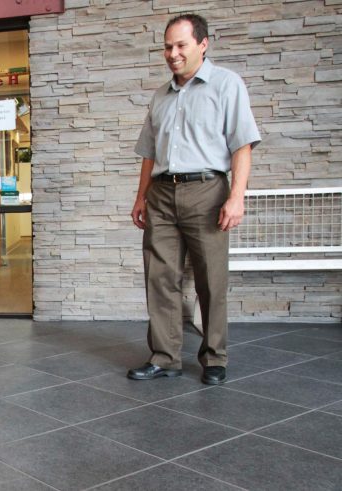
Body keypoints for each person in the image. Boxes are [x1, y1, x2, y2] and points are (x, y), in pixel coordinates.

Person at [127, 14, 261, 385]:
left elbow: (242, 146)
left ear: (203, 44)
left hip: (207, 191)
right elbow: (149, 153)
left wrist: (236, 197)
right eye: (168, 46)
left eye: (181, 45)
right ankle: (164, 357)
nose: (173, 53)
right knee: (160, 278)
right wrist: (141, 197)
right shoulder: (160, 96)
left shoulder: (226, 85)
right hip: (162, 193)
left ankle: (214, 357)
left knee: (210, 280)